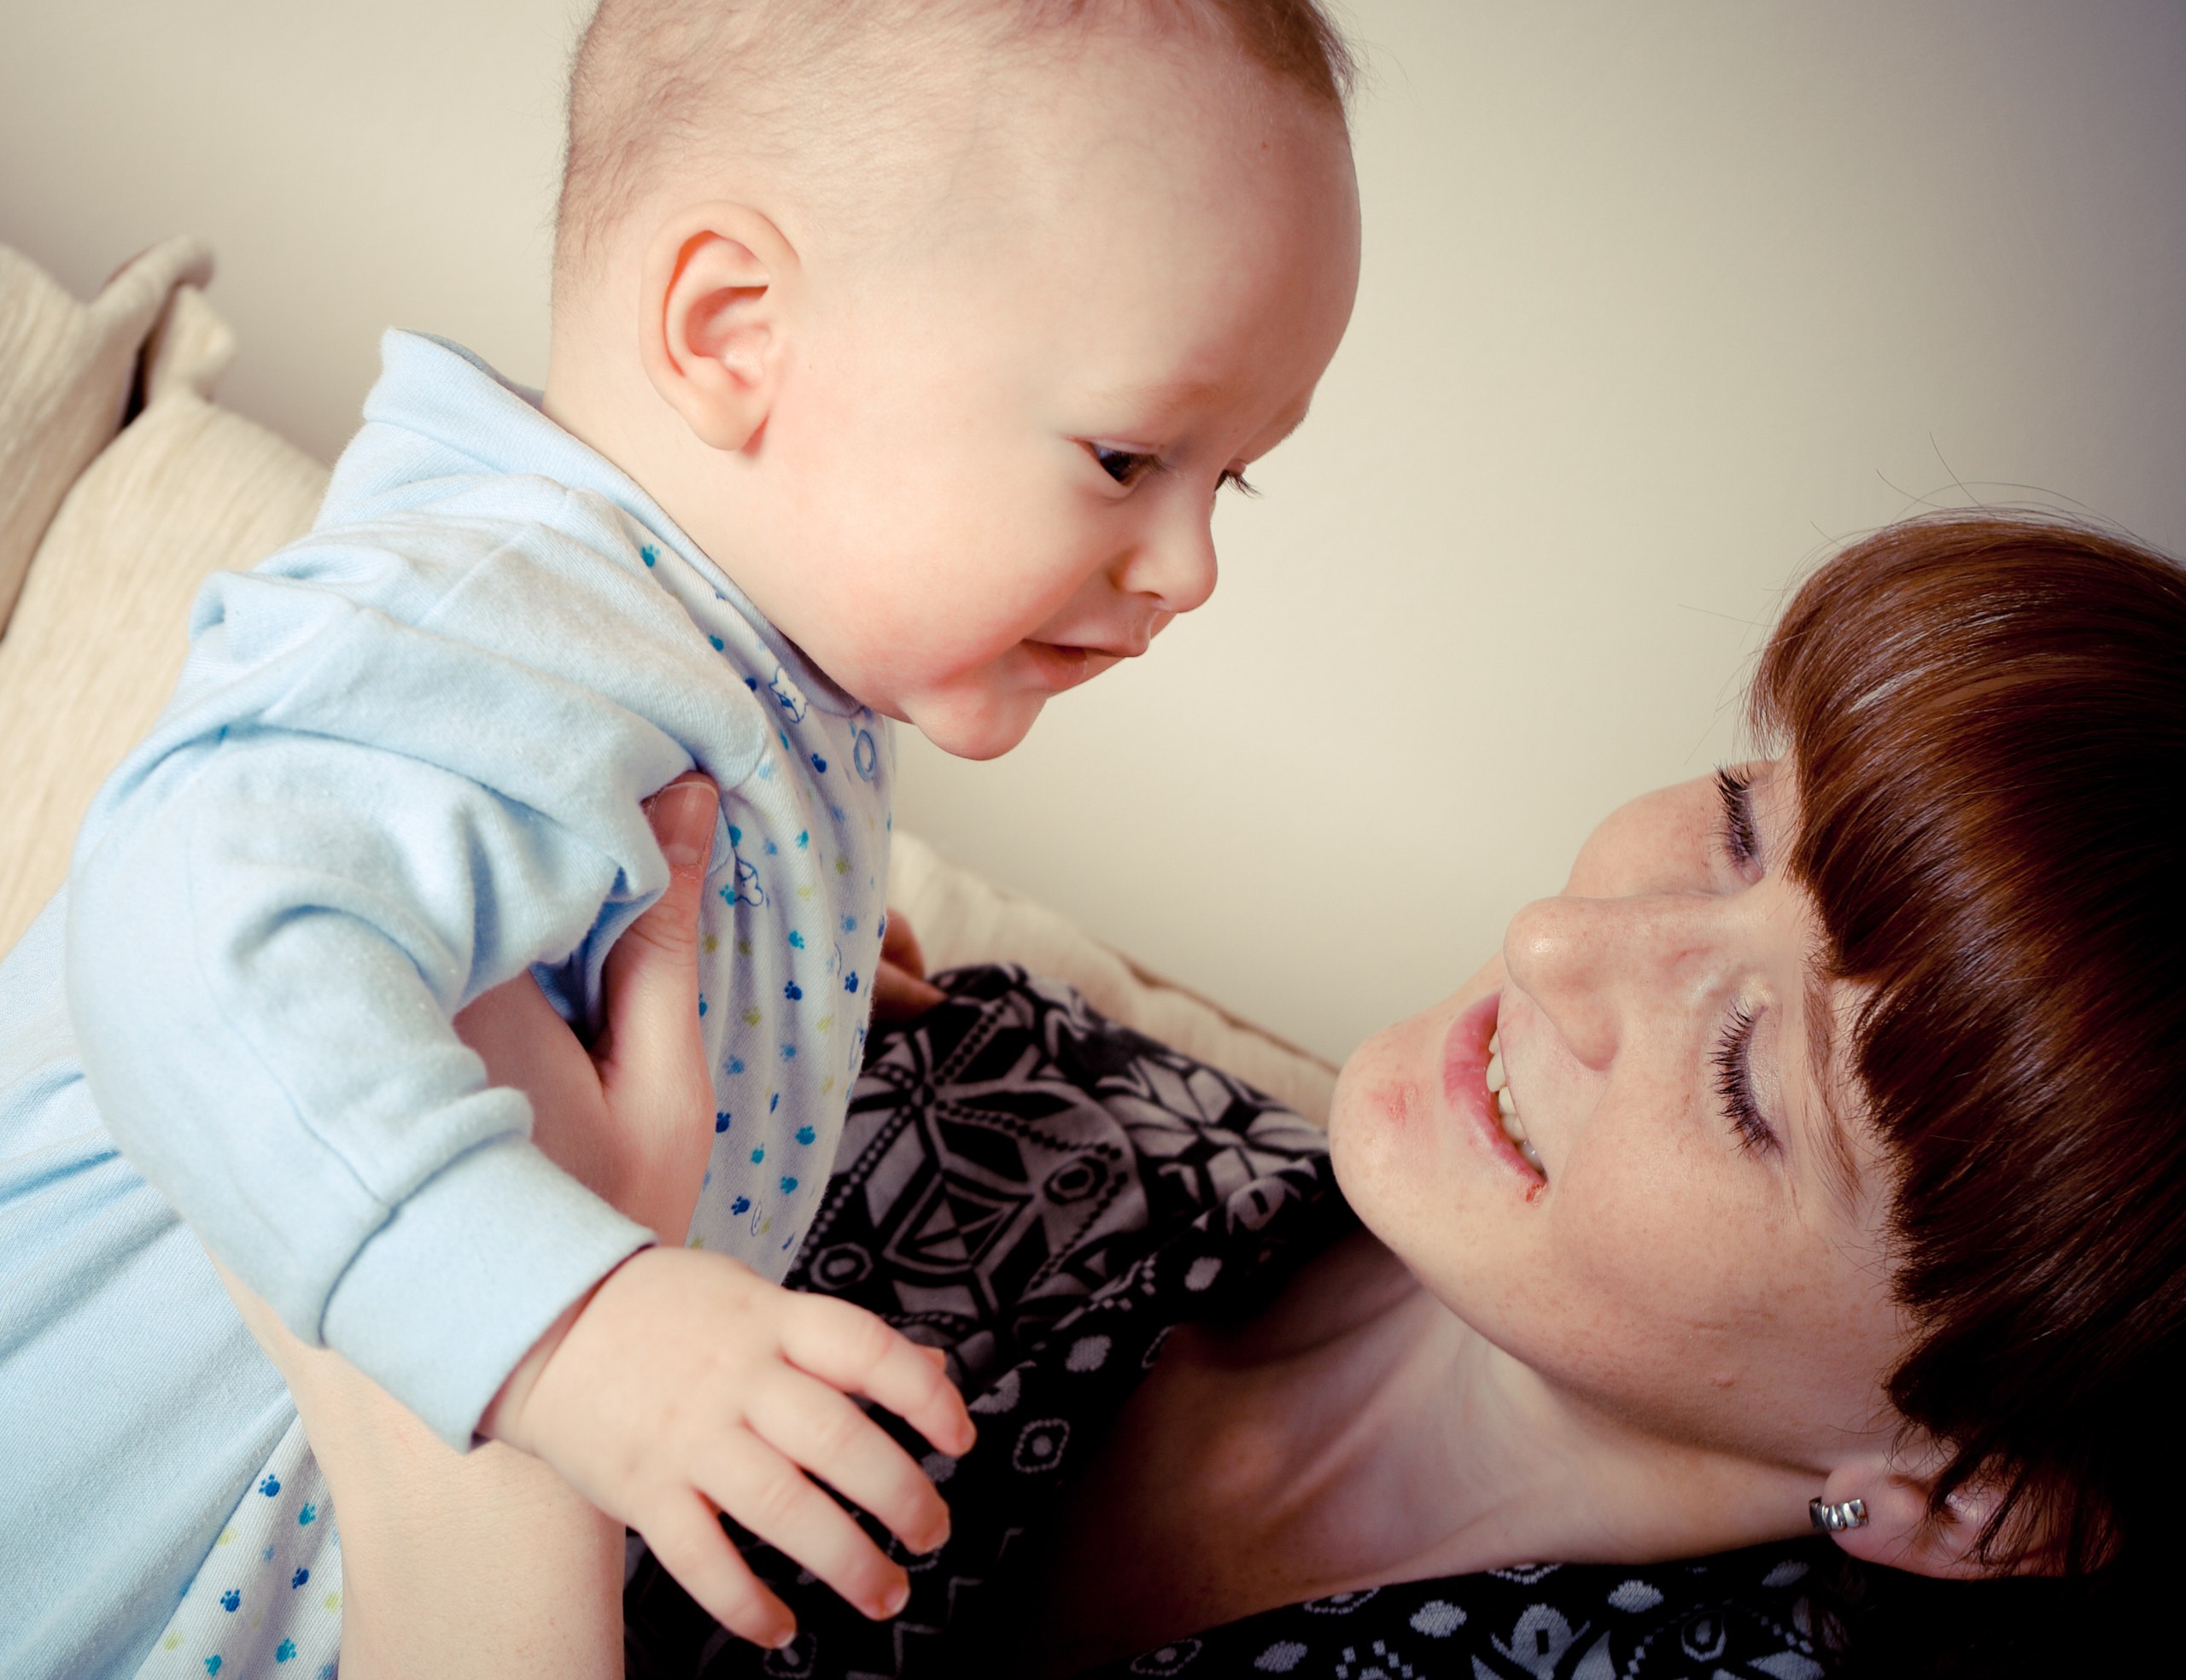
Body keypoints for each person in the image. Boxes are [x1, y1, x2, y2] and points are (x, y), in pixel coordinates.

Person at [0, 0, 1362, 1675]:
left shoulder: (739, 664)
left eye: (1228, 480)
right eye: (1126, 456)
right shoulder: (498, 622)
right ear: (733, 332)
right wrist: (565, 1325)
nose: (1188, 566)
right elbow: (192, 932)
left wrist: (790, 958)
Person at [232, 510, 2186, 1677]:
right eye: (1742, 823)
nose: (1556, 946)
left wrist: (482, 1465)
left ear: (1967, 1497)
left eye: (1752, 1081)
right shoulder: (1041, 1099)